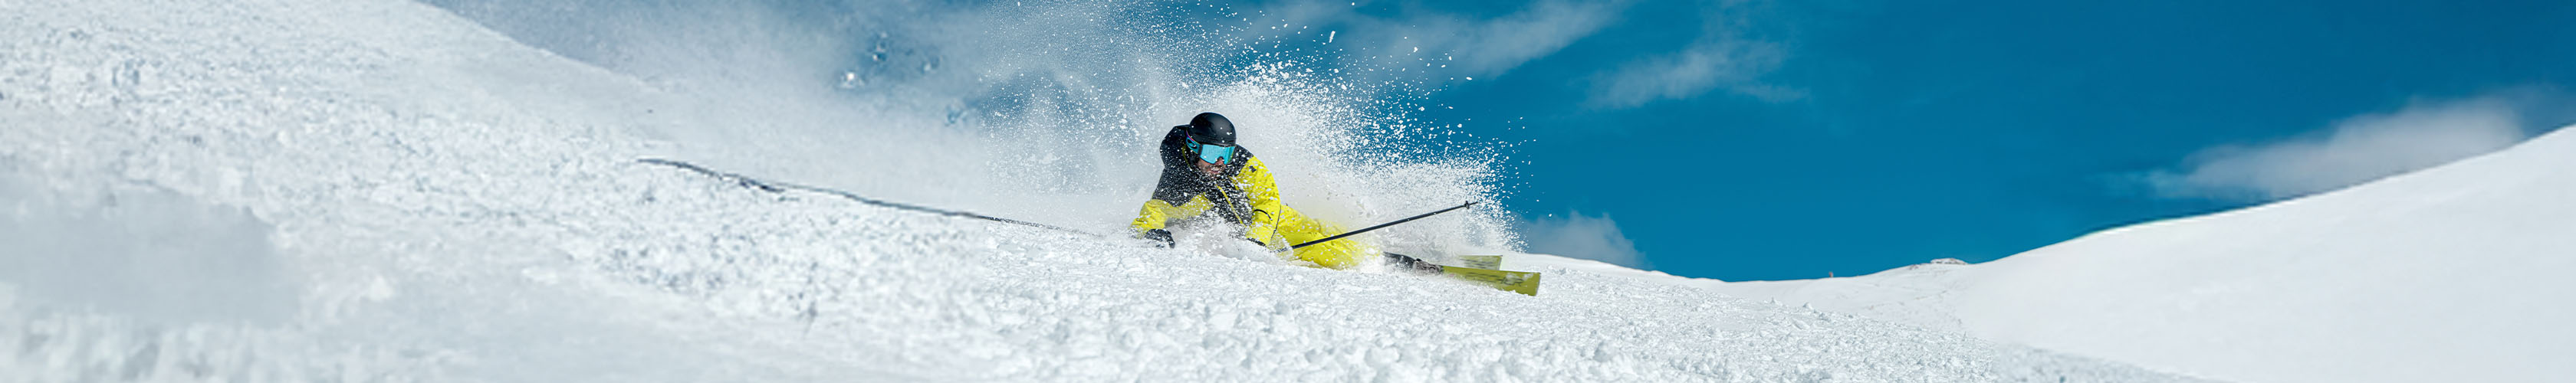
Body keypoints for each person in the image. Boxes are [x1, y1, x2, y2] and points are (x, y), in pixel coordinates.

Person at [1130, 113, 1375, 269]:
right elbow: (1155, 209)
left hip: (1266, 222)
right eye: (1213, 154)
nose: (1220, 163)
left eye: (1225, 154)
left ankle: (1378, 256)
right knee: (1316, 254)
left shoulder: (1240, 163)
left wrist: (1256, 239)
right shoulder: (1179, 179)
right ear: (1193, 148)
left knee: (1316, 231)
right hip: (1241, 238)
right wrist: (1150, 232)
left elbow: (1267, 197)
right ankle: (1364, 262)